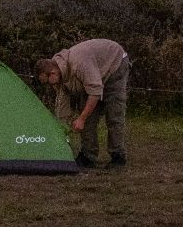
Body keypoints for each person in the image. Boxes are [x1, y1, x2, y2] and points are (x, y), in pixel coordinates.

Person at [37, 38, 131, 168]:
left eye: (48, 82)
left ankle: (118, 156)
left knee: (114, 114)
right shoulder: (58, 72)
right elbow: (62, 102)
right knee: (87, 116)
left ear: (52, 73)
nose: (49, 86)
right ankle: (88, 155)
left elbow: (95, 92)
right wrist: (62, 128)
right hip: (93, 74)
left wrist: (81, 119)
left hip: (114, 63)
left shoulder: (79, 64)